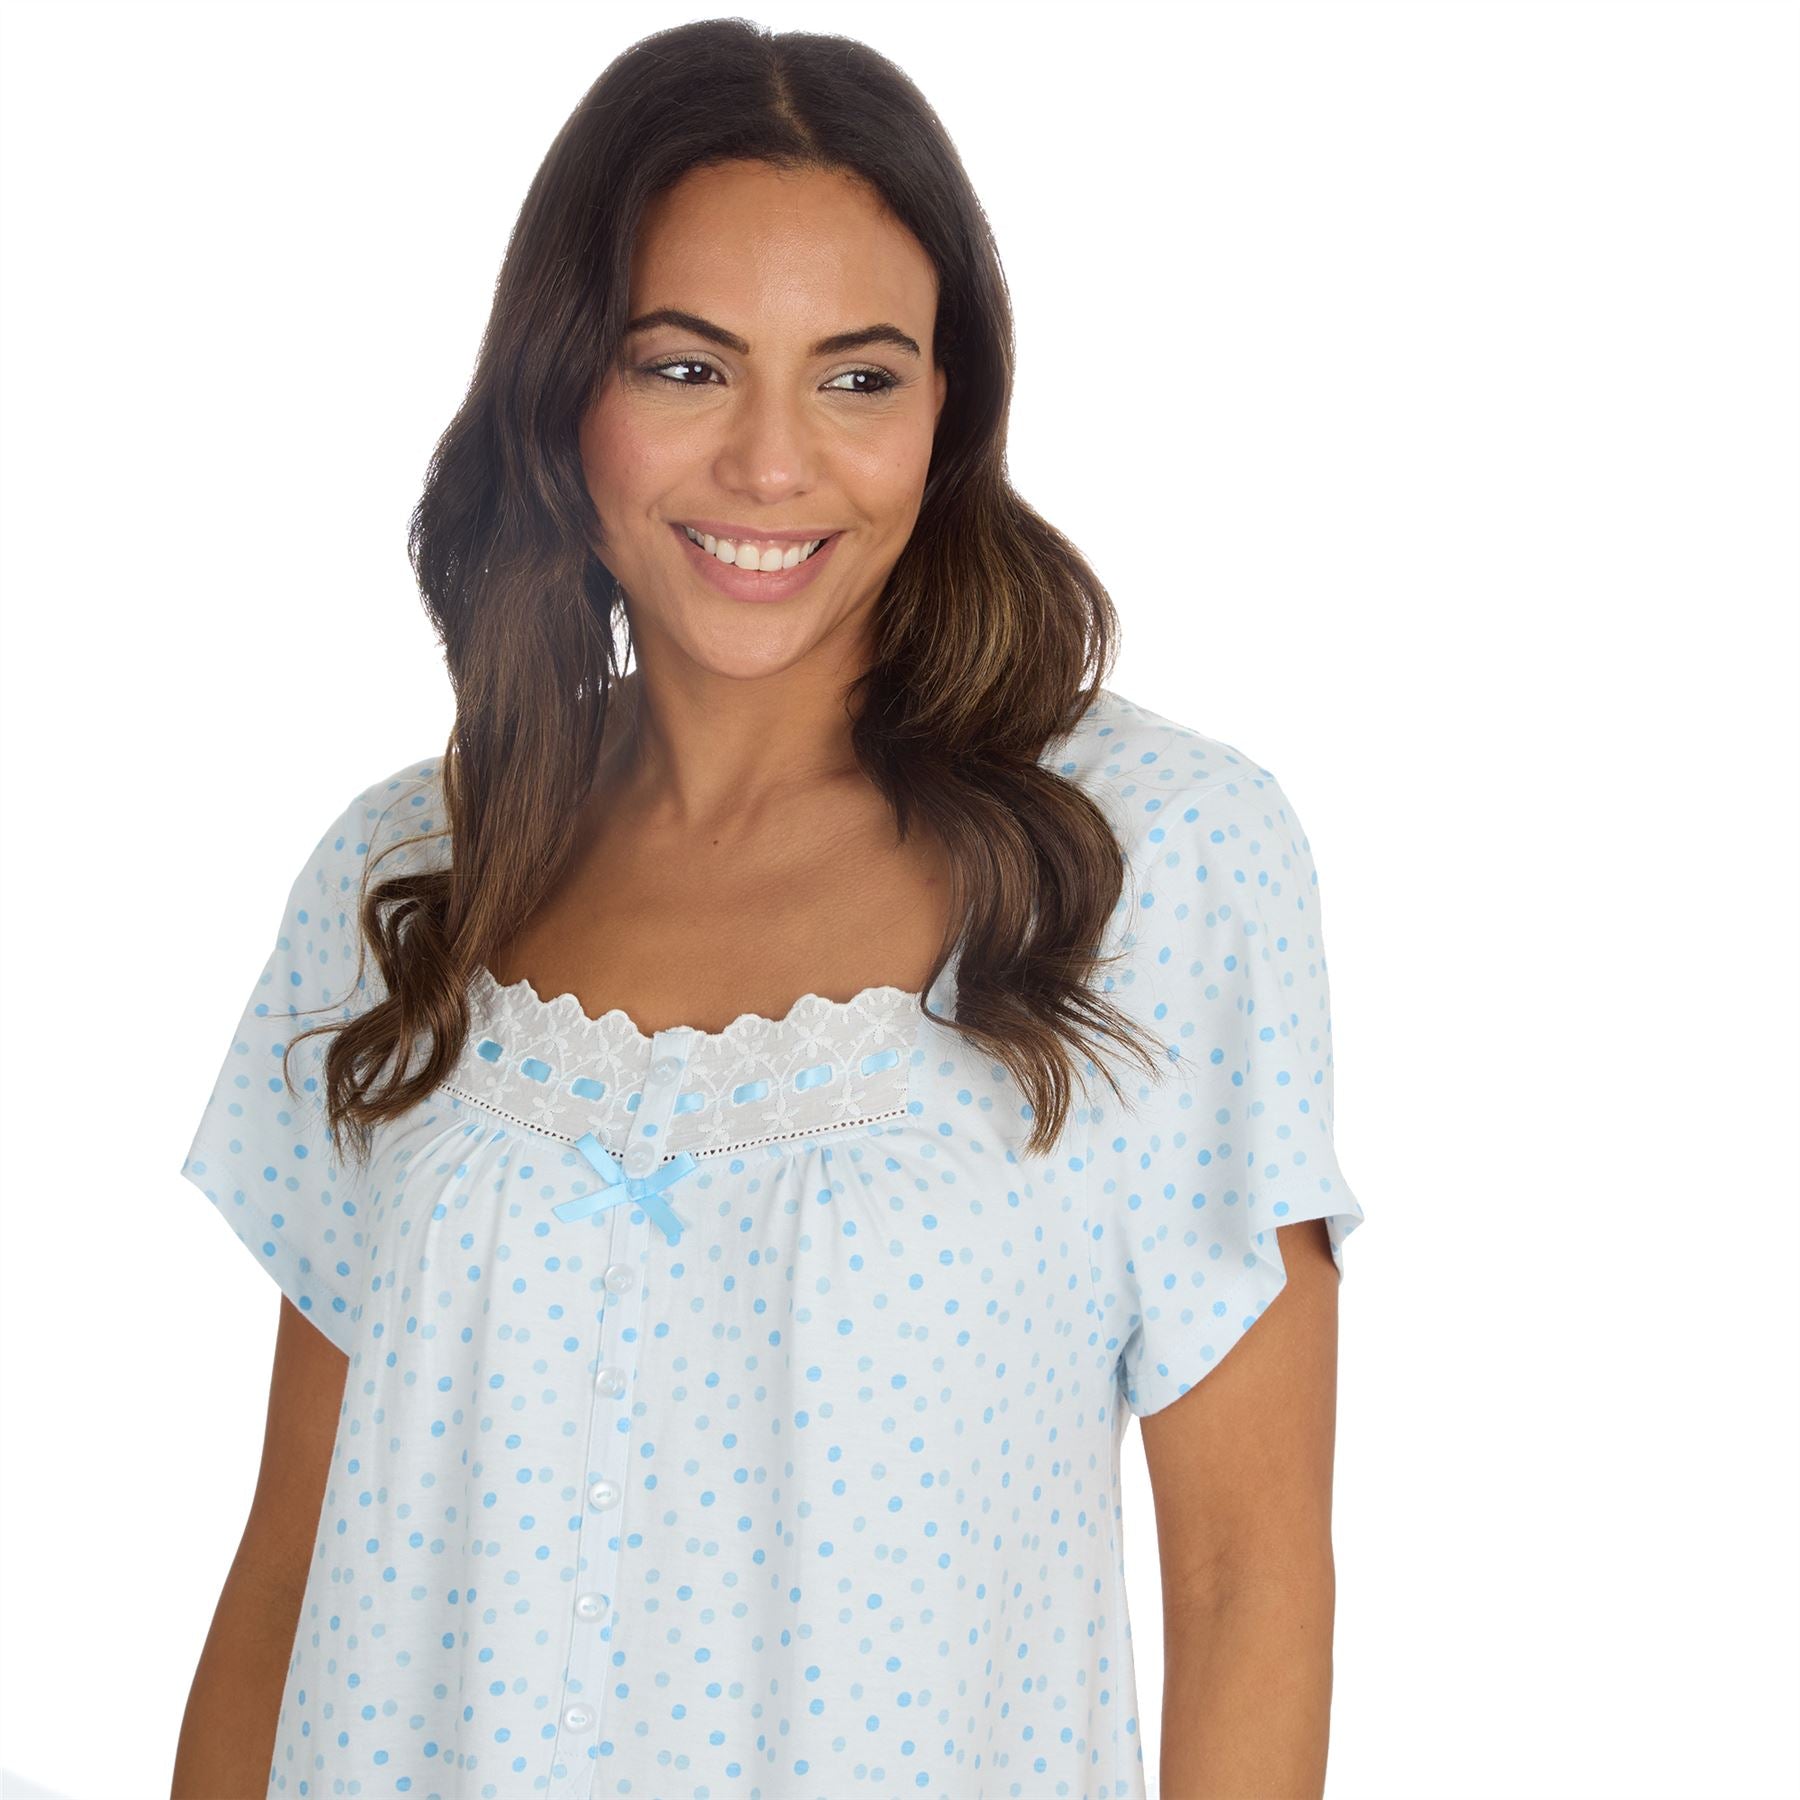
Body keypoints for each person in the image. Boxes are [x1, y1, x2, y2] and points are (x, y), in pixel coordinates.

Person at [171, 18, 1364, 1800]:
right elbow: (290, 1571)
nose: (772, 464)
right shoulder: (408, 878)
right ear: (562, 395)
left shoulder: (1159, 863)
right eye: (686, 366)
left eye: (859, 378)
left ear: (948, 413)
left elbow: (1248, 1583)